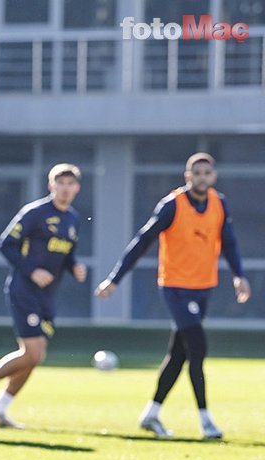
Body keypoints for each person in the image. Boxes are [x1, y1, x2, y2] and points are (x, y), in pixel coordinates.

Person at [95, 152, 251, 440]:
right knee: (198, 348)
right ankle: (206, 420)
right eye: (197, 173)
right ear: (187, 176)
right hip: (175, 288)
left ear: (213, 177)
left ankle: (151, 414)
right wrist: (114, 279)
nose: (202, 178)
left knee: (178, 355)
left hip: (203, 287)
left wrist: (239, 275)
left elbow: (228, 243)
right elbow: (142, 242)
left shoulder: (219, 203)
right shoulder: (172, 205)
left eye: (207, 173)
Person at [0, 164, 87, 428]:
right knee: (31, 353)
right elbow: (6, 244)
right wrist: (31, 271)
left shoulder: (73, 219)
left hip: (47, 296)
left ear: (77, 188)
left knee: (36, 356)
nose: (65, 189)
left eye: (70, 184)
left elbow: (65, 253)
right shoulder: (35, 213)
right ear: (51, 185)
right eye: (60, 183)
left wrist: (74, 266)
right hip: (24, 290)